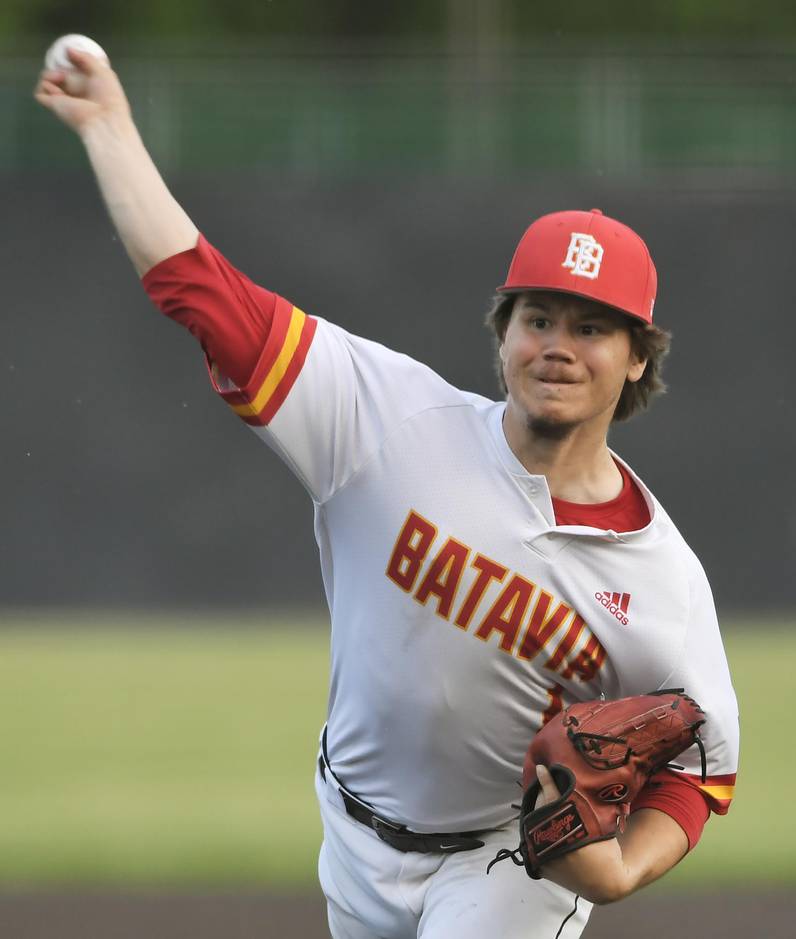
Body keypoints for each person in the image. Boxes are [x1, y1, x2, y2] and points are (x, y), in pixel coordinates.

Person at [35, 49, 739, 939]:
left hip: (509, 862)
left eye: (593, 327)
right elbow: (203, 290)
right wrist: (109, 129)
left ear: (637, 358)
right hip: (352, 836)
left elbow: (702, 762)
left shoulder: (659, 578)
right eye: (538, 318)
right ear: (504, 332)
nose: (559, 345)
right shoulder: (389, 421)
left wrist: (629, 864)